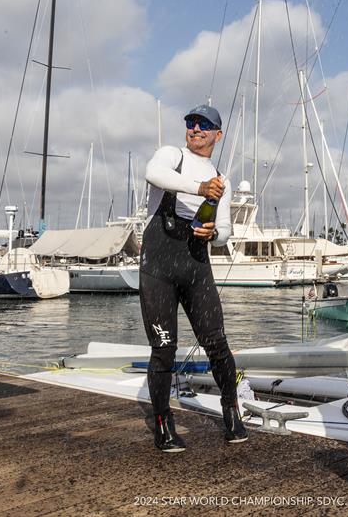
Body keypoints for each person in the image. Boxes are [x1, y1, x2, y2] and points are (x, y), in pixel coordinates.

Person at [140, 104, 247, 452]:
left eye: (204, 124)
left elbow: (226, 231)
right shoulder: (173, 156)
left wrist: (214, 233)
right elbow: (153, 173)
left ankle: (231, 411)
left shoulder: (222, 179)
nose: (196, 128)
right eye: (191, 122)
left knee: (216, 342)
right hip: (159, 266)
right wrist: (200, 189)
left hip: (196, 267)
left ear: (218, 134)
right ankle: (162, 424)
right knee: (164, 349)